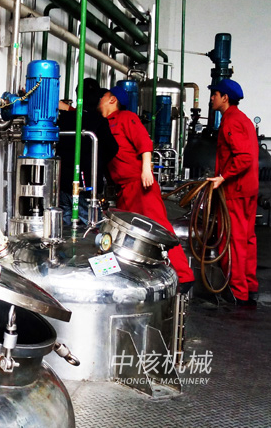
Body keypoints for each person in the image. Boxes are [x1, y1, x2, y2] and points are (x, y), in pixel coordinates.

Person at [98, 85, 195, 289]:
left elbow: (143, 141)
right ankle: (122, 276)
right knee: (122, 232)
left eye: (103, 96)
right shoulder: (104, 123)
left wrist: (146, 170)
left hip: (140, 185)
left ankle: (184, 277)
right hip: (124, 190)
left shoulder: (127, 117)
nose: (100, 99)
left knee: (159, 230)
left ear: (113, 100)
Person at [206, 78, 259, 307]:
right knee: (247, 239)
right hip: (248, 188)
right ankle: (249, 286)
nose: (212, 98)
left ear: (225, 97)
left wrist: (223, 177)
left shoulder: (230, 122)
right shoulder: (243, 119)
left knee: (233, 241)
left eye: (215, 94)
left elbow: (244, 157)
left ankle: (238, 292)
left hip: (235, 190)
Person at [57, 78, 119, 225]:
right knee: (91, 226)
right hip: (86, 186)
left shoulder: (64, 118)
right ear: (98, 98)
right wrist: (98, 161)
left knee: (64, 226)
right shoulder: (99, 121)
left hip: (62, 183)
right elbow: (113, 148)